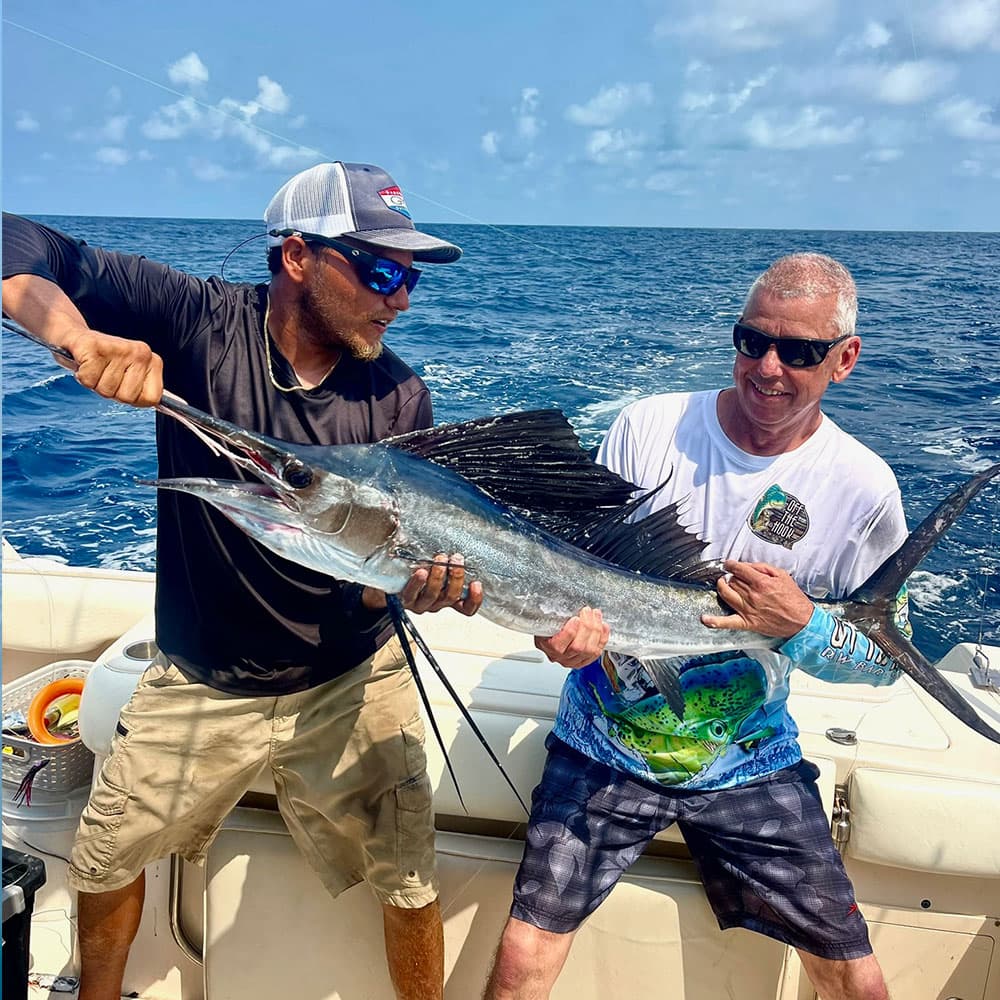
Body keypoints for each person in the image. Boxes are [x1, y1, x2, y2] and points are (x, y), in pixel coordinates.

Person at [2, 161, 490, 1000]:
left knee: (408, 880)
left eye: (408, 277)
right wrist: (79, 341)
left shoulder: (402, 395)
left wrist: (421, 586)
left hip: (350, 675)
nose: (400, 298)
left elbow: (379, 584)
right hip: (201, 674)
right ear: (298, 257)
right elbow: (20, 244)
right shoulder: (199, 319)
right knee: (104, 857)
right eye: (380, 271)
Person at [483, 252, 906, 1000]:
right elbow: (573, 573)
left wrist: (802, 625)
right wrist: (562, 638)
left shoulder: (864, 486)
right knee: (520, 960)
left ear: (845, 360)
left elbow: (881, 663)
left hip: (750, 759)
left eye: (800, 351)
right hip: (601, 743)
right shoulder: (648, 426)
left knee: (857, 977)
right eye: (752, 341)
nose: (768, 367)